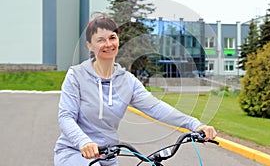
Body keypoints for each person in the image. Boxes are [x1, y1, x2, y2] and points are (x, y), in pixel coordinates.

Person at [54, 15, 217, 166]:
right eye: (101, 40)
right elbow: (66, 117)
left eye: (112, 37)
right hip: (75, 152)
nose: (109, 44)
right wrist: (84, 142)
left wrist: (194, 124)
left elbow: (156, 107)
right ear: (89, 45)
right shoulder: (76, 75)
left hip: (109, 155)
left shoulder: (127, 80)